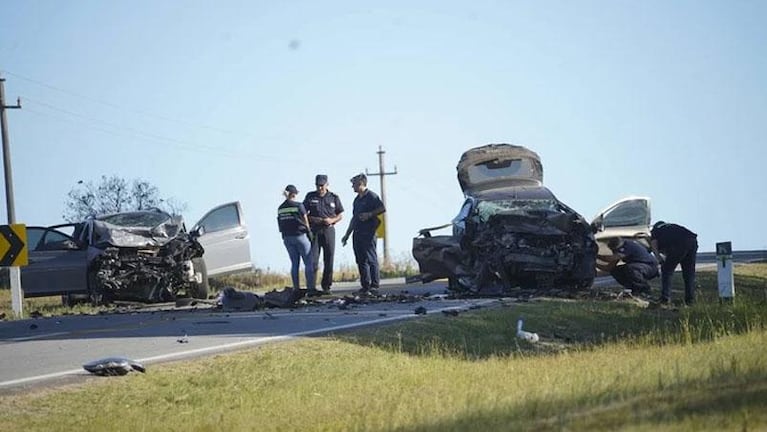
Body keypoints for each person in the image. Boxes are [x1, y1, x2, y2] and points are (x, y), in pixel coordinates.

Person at [341, 173, 386, 296]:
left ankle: (374, 286)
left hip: (369, 232)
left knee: (371, 259)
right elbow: (354, 218)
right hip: (358, 233)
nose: (352, 187)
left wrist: (370, 214)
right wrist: (347, 235)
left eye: (354, 184)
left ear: (361, 184)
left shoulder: (371, 196)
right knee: (361, 260)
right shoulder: (356, 200)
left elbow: (382, 208)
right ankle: (365, 286)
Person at [303, 174, 344, 294]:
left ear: (327, 185)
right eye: (317, 185)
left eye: (322, 185)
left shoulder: (334, 197)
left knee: (329, 258)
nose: (320, 188)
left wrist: (331, 220)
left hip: (328, 230)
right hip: (315, 230)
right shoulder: (310, 196)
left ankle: (326, 286)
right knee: (313, 260)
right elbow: (303, 213)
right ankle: (311, 287)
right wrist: (314, 220)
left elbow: (340, 215)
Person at [277, 184, 317, 296]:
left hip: (287, 238)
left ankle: (296, 289)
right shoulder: (299, 206)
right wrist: (309, 232)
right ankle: (310, 288)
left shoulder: (280, 208)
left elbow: (280, 223)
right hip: (300, 236)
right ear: (294, 194)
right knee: (308, 263)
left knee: (294, 264)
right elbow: (305, 220)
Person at [650, 221, 699, 305]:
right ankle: (690, 300)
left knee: (666, 270)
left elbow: (654, 247)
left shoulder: (656, 230)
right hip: (692, 240)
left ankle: (665, 298)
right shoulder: (670, 228)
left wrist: (660, 260)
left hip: (680, 243)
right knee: (689, 273)